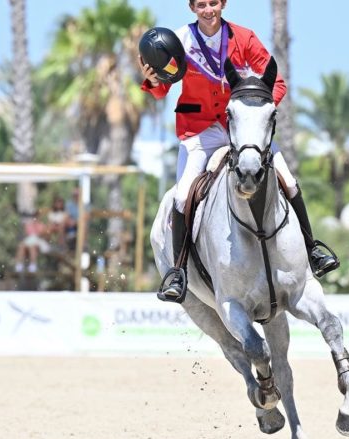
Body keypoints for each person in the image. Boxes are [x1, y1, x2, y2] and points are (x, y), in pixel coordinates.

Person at [139, 0, 338, 301]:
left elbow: (277, 83)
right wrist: (153, 81)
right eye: (202, 4)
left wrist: (257, 111)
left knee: (290, 182)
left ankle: (313, 250)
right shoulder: (179, 41)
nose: (209, 10)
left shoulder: (244, 38)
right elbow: (163, 87)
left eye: (214, 3)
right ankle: (178, 272)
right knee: (181, 197)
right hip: (199, 130)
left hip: (243, 130)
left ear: (224, 4)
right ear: (192, 7)